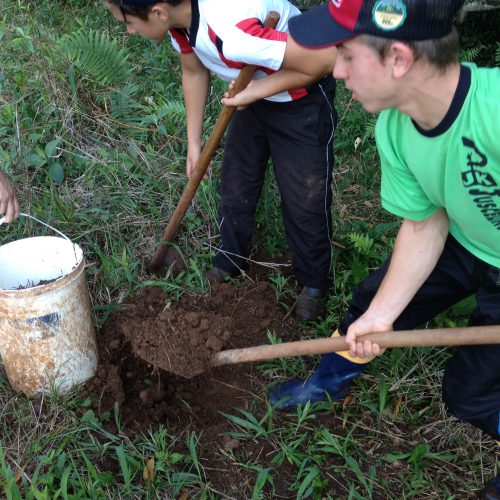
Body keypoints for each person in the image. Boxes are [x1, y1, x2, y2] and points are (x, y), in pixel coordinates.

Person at [269, 0, 500, 496]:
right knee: (368, 307)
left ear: (398, 58)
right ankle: (328, 383)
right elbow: (424, 225)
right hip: (464, 241)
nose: (337, 70)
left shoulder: (495, 111)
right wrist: (382, 316)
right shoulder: (395, 128)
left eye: (347, 55)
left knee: (471, 396)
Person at [104, 0, 339, 321]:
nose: (129, 31)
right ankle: (230, 258)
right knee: (236, 182)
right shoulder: (181, 24)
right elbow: (193, 70)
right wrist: (194, 141)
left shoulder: (232, 31)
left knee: (304, 198)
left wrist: (256, 90)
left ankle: (313, 282)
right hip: (250, 96)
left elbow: (324, 60)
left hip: (300, 100)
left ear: (159, 12)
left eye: (128, 22)